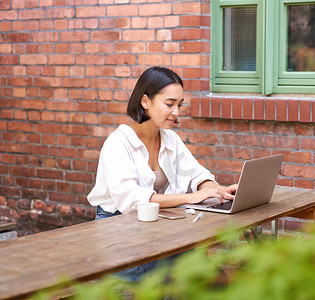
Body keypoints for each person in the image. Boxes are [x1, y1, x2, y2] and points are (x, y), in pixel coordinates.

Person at [87, 66, 237, 281]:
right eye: (169, 104)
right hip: (120, 235)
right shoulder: (118, 143)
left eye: (179, 105)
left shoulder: (170, 139)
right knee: (186, 281)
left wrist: (217, 190)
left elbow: (195, 174)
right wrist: (191, 197)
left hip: (159, 232)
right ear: (145, 101)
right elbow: (130, 201)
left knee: (215, 278)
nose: (176, 112)